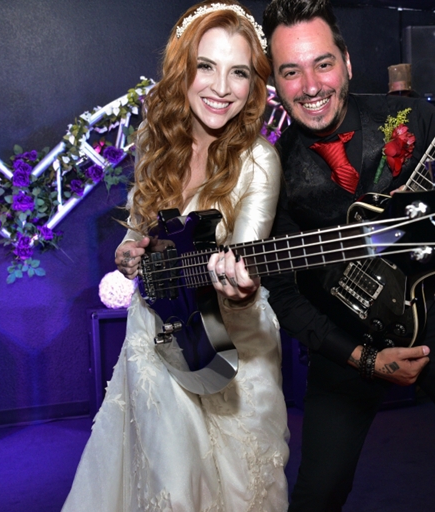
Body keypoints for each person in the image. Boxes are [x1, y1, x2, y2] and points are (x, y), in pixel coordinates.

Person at [260, 1, 435, 511]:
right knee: (318, 492)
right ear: (276, 83)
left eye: (322, 63)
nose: (310, 85)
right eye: (290, 71)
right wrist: (362, 357)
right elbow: (281, 292)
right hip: (342, 335)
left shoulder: (415, 118)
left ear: (346, 63)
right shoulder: (272, 170)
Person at [63, 2, 289, 510]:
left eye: (239, 73)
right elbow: (140, 229)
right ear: (183, 68)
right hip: (159, 332)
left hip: (231, 342)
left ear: (255, 85)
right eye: (206, 66)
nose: (221, 87)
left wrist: (242, 286)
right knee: (168, 478)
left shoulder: (259, 161)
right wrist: (129, 251)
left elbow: (243, 263)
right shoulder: (153, 141)